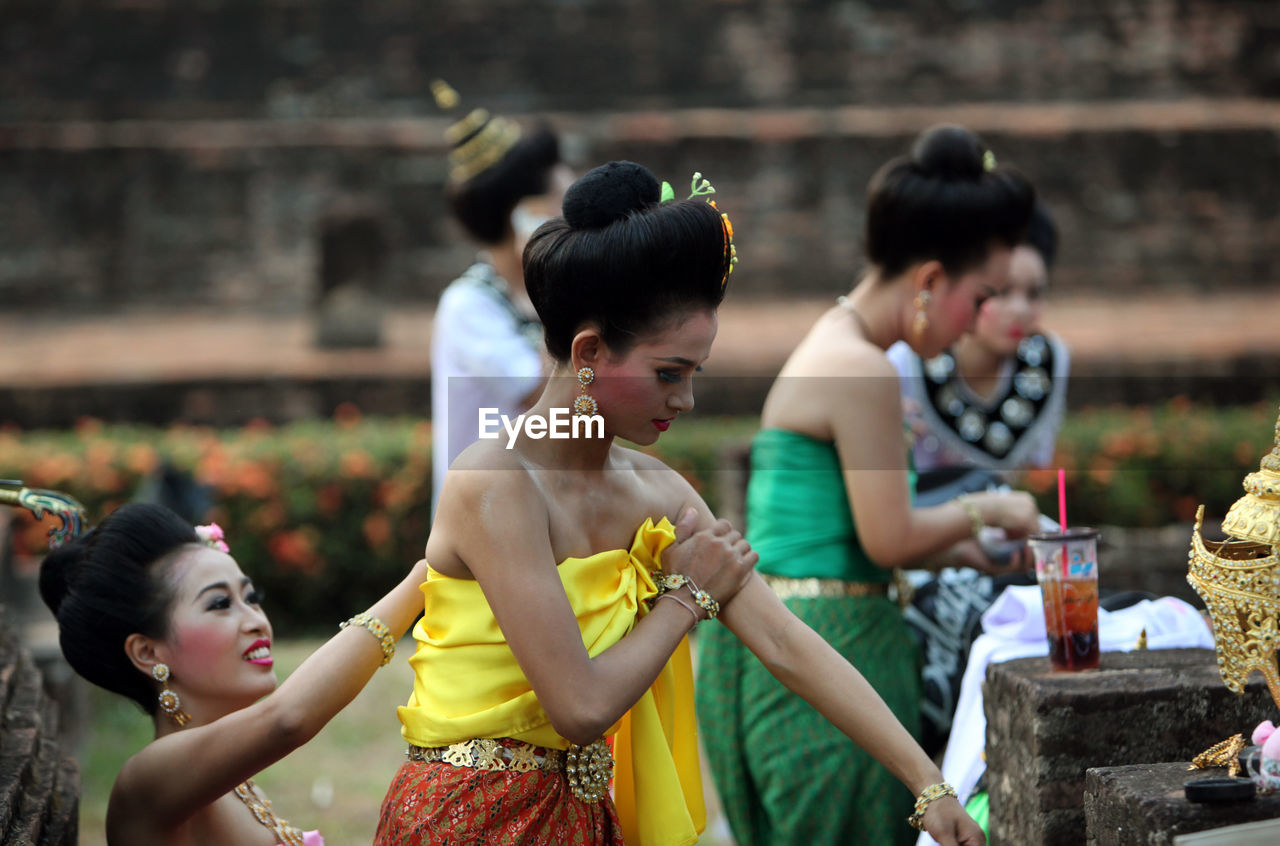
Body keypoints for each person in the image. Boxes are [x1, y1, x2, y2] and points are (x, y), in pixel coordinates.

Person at [373, 161, 985, 846]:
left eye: (694, 374)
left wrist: (926, 783)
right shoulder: (497, 483)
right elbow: (579, 706)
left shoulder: (657, 492)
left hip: (585, 822)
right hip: (465, 823)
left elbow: (784, 641)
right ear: (588, 352)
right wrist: (685, 599)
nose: (685, 401)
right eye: (668, 373)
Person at [696, 126, 1043, 846]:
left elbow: (858, 532)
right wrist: (990, 506)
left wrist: (971, 553)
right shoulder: (863, 370)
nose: (981, 321)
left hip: (788, 636)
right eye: (981, 297)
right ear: (928, 281)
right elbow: (889, 536)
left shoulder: (839, 342)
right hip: (832, 648)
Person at [39, 501, 431, 846]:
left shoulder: (231, 778)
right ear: (147, 651)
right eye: (221, 604)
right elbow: (288, 718)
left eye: (251, 598)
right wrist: (425, 577)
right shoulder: (147, 781)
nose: (255, 620)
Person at [430, 81, 573, 510]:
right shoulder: (468, 306)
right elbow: (542, 395)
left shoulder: (527, 298)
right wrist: (553, 277)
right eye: (560, 207)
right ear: (526, 215)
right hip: (483, 525)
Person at [887, 201, 1068, 504]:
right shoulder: (901, 365)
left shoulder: (1047, 362)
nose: (1020, 310)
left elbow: (1037, 478)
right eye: (1000, 292)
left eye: (1034, 293)